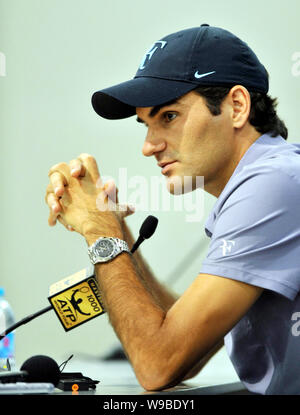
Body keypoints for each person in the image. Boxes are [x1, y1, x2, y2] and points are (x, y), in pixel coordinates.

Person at [44, 25, 300, 394]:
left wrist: (100, 231)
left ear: (237, 107)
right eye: (146, 124)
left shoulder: (273, 184)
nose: (149, 146)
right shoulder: (271, 178)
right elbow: (185, 346)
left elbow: (158, 364)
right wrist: (115, 225)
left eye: (168, 117)